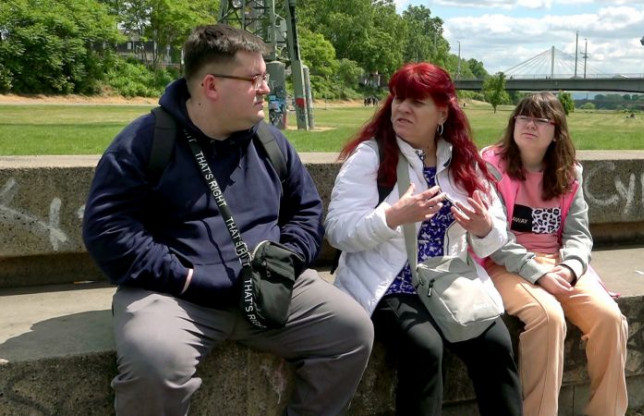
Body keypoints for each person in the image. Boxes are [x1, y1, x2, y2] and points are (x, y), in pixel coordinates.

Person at [82, 24, 373, 416]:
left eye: (265, 77)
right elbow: (108, 229)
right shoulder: (145, 142)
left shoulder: (270, 141)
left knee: (351, 331)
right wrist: (186, 277)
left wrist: (284, 262)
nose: (266, 89)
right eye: (254, 79)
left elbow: (305, 211)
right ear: (211, 86)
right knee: (155, 363)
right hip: (176, 295)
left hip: (268, 286)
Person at [325, 62, 522, 416]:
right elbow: (338, 230)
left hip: (446, 280)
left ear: (442, 112)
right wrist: (392, 217)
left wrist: (481, 227)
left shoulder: (463, 161)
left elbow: (494, 236)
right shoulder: (371, 156)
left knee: (495, 343)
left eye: (416, 102)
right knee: (425, 348)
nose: (402, 108)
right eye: (398, 99)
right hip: (386, 283)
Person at [481, 92, 628, 416]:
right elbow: (495, 238)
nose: (529, 125)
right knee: (548, 318)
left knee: (610, 319)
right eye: (523, 117)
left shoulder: (569, 173)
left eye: (540, 119)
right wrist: (539, 274)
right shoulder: (492, 167)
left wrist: (570, 268)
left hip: (559, 264)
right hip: (506, 264)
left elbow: (578, 234)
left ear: (556, 131)